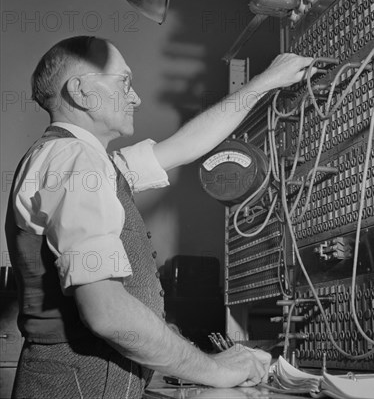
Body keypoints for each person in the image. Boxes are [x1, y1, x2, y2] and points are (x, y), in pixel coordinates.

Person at [5, 36, 315, 399]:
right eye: (124, 81)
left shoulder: (86, 162)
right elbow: (107, 312)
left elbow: (187, 145)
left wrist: (267, 81)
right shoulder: (74, 159)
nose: (134, 97)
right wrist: (216, 369)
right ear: (82, 92)